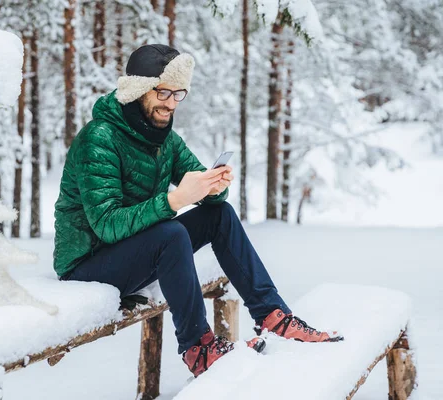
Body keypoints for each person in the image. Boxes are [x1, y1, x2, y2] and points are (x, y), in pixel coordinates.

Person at [53, 44, 343, 377]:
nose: (171, 103)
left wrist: (214, 187)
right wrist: (174, 201)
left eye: (179, 94)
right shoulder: (99, 138)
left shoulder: (165, 139)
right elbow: (105, 224)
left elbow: (201, 186)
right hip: (87, 265)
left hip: (136, 252)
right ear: (138, 90)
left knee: (220, 215)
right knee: (171, 232)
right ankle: (198, 348)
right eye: (163, 92)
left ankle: (273, 315)